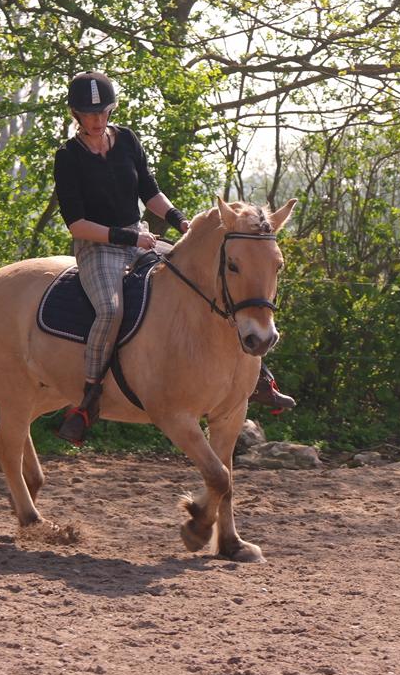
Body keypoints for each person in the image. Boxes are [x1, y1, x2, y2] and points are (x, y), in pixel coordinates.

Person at [53, 72, 294, 444]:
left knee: (207, 281)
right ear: (76, 115)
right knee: (110, 310)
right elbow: (77, 224)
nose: (97, 119)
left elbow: (149, 190)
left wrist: (179, 220)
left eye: (102, 111)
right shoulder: (68, 157)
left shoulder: (127, 139)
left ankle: (258, 379)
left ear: (111, 109)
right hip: (98, 247)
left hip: (140, 238)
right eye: (89, 113)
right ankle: (89, 398)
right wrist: (127, 236)